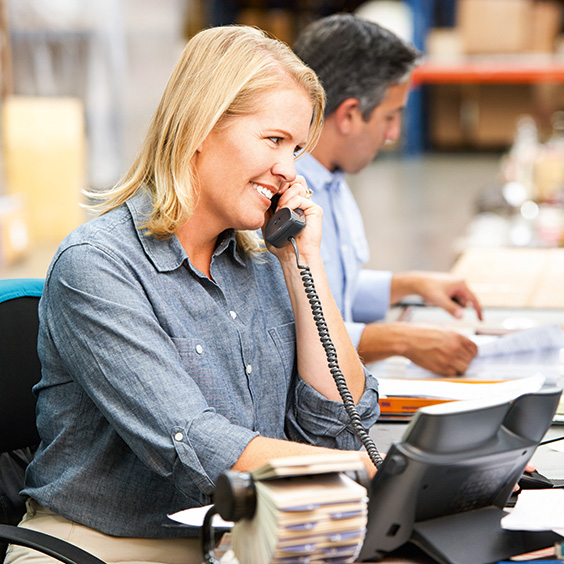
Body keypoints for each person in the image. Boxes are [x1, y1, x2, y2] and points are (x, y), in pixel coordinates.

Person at [5, 25, 381, 564]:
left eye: (296, 149)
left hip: (240, 537)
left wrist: (305, 266)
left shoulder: (265, 264)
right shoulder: (98, 266)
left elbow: (338, 432)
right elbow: (194, 444)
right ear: (201, 126)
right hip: (101, 545)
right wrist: (370, 472)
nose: (289, 171)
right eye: (274, 140)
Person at [293, 14, 483, 377]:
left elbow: (328, 292)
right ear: (349, 114)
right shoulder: (285, 201)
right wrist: (402, 340)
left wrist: (409, 285)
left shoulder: (332, 180)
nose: (393, 133)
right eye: (390, 116)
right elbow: (293, 333)